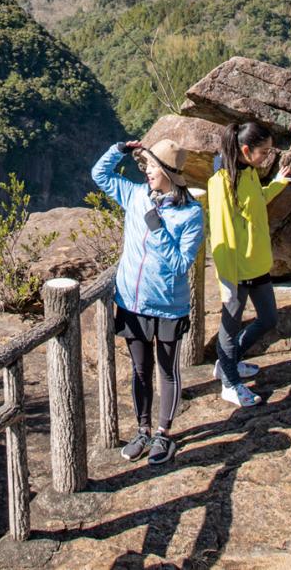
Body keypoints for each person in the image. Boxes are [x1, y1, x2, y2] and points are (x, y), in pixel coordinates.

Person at [92, 138, 205, 465]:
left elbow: (182, 264)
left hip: (168, 305)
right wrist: (118, 150)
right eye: (146, 166)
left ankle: (163, 433)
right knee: (140, 371)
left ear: (169, 171)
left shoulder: (190, 214)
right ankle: (142, 430)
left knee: (167, 371)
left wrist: (157, 229)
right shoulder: (136, 195)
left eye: (152, 166)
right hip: (132, 301)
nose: (147, 172)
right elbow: (99, 175)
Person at [203, 121, 291, 407]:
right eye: (264, 151)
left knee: (268, 318)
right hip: (237, 270)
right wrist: (227, 281)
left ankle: (228, 362)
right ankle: (230, 383)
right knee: (229, 328)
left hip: (257, 264)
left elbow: (256, 202)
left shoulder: (249, 173)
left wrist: (278, 185)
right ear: (245, 149)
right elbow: (220, 232)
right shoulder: (222, 181)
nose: (267, 156)